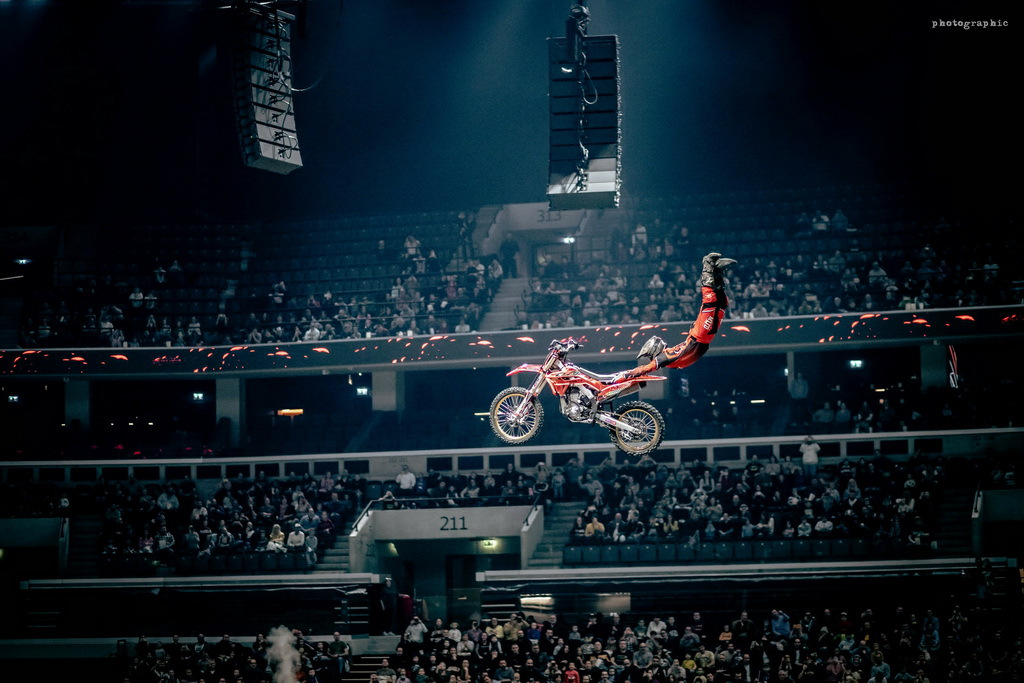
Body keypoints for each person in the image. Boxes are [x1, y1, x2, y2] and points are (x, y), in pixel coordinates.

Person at [618, 253, 736, 379]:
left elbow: (654, 365)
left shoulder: (666, 358)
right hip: (699, 338)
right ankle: (715, 270)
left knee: (711, 303)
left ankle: (709, 267)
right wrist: (628, 374)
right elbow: (648, 367)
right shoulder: (663, 358)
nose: (661, 343)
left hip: (699, 338)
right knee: (720, 303)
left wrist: (629, 374)